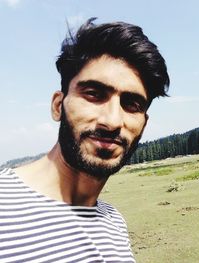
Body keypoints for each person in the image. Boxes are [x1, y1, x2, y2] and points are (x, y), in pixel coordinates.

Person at [0, 18, 169, 262]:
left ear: (143, 124)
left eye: (131, 104)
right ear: (58, 106)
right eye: (93, 94)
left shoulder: (113, 222)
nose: (112, 121)